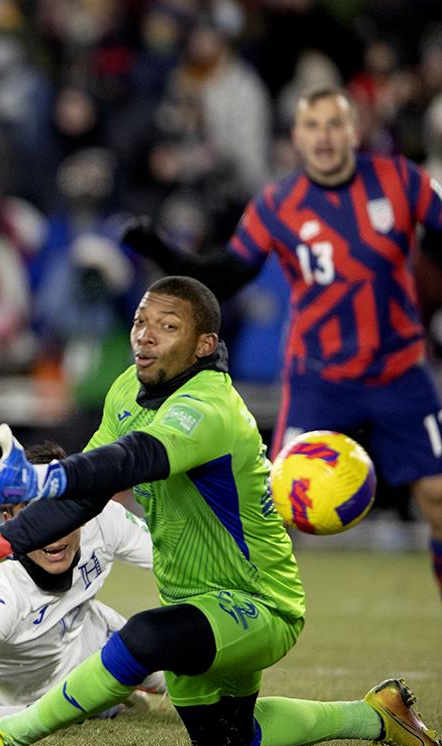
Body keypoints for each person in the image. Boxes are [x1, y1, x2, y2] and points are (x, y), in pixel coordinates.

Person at [0, 276, 440, 746]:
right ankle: (376, 716)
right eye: (139, 321)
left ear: (204, 345)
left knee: (144, 636)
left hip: (258, 603)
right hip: (193, 605)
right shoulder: (128, 388)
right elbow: (88, 494)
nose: (144, 336)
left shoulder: (211, 408)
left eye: (167, 326)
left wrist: (42, 478)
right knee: (228, 743)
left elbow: (135, 458)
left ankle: (8, 737)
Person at [122, 85, 442, 598]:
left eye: (335, 124)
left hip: (399, 370)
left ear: (353, 132)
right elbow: (224, 277)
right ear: (296, 136)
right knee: (270, 510)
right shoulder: (277, 204)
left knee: (438, 496)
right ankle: (237, 619)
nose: (325, 137)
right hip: (320, 378)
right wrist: (160, 248)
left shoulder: (401, 180)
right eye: (312, 125)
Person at [0, 440, 165, 726]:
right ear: (9, 519)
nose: (51, 528)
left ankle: (103, 691)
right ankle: (97, 696)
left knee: (189, 664)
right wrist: (51, 713)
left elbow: (179, 560)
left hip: (90, 638)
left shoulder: (104, 519)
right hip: (16, 698)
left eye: (59, 508)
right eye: (33, 513)